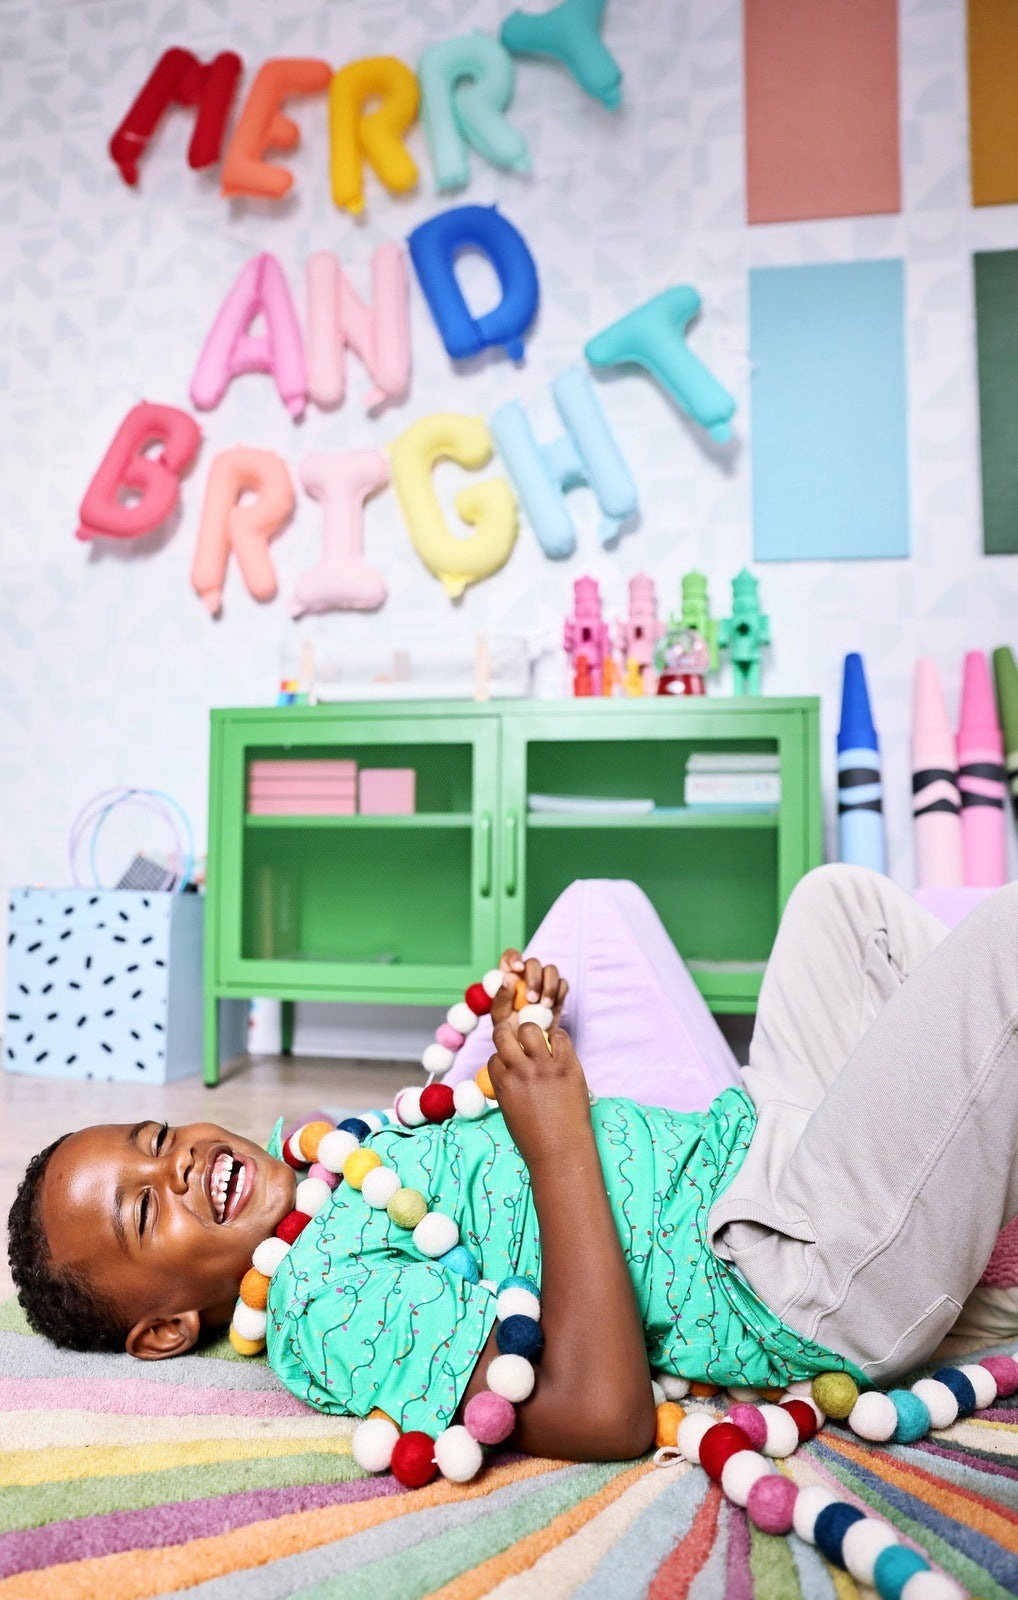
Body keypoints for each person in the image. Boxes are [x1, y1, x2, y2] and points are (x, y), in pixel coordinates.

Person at [8, 867, 1018, 1466]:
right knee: (999, 951)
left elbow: (472, 1152)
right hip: (793, 1270)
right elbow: (597, 1409)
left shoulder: (333, 1161)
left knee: (840, 905)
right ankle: (964, 1219)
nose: (177, 1166)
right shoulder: (323, 1301)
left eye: (154, 1138)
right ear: (168, 1326)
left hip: (756, 1139)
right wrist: (556, 1131)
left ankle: (973, 1188)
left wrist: (517, 1039)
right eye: (145, 1213)